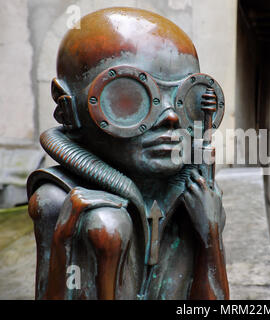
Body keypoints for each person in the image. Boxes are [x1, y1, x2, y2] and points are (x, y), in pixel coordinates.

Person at [26, 8, 229, 300]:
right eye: (129, 96)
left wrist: (209, 236)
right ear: (68, 109)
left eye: (187, 97)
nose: (171, 117)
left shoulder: (195, 193)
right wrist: (64, 240)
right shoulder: (57, 202)